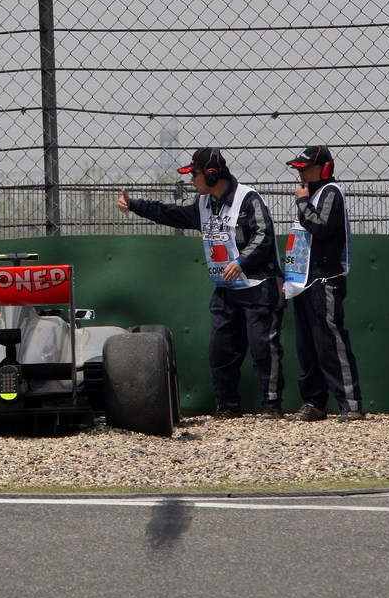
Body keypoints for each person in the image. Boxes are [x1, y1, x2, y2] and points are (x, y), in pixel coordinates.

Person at [118, 147, 285, 419]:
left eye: (194, 175)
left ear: (210, 175)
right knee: (221, 351)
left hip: (257, 286)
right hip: (226, 290)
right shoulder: (203, 204)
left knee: (263, 348)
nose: (191, 180)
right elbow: (169, 213)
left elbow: (264, 235)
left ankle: (272, 405)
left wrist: (241, 262)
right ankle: (228, 407)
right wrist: (136, 205)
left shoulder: (248, 198)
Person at [282, 145, 366, 423]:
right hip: (303, 280)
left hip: (325, 279)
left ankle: (351, 403)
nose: (302, 174)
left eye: (307, 169)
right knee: (307, 346)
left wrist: (303, 203)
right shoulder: (312, 194)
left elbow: (322, 227)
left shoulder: (330, 193)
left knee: (330, 342)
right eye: (300, 169)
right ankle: (314, 403)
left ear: (324, 169)